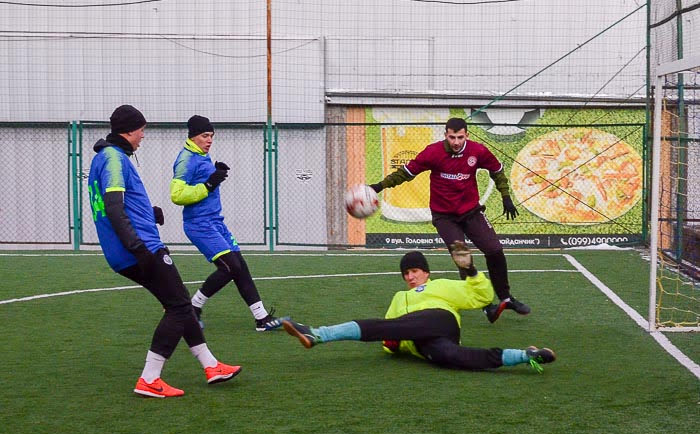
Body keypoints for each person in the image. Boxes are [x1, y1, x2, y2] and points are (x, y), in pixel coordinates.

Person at [88, 105, 241, 398]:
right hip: (140, 249)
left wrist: (148, 212)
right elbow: (114, 207)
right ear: (130, 130)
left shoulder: (103, 158)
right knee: (180, 307)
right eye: (142, 130)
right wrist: (139, 247)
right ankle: (150, 378)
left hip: (125, 250)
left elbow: (120, 205)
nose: (143, 136)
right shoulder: (114, 158)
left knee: (179, 302)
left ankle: (211, 366)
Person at [283, 245, 556, 373]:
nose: (410, 277)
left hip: (442, 322)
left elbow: (481, 296)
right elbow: (391, 343)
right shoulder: (399, 297)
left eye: (414, 271)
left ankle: (318, 334)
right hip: (424, 344)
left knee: (386, 326)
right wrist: (392, 345)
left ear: (426, 272)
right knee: (456, 359)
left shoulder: (442, 287)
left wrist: (470, 269)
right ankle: (526, 355)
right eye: (406, 273)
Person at [368, 117, 531, 323]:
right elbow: (406, 173)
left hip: (471, 211)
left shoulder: (477, 151)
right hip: (444, 216)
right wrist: (379, 186)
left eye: (460, 137)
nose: (456, 141)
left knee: (495, 250)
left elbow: (497, 170)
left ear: (467, 136)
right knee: (462, 256)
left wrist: (506, 197)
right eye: (452, 137)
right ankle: (485, 305)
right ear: (446, 134)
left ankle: (506, 298)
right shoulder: (433, 152)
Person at [170, 115, 288, 331]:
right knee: (230, 267)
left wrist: (214, 174)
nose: (210, 140)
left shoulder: (202, 155)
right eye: (205, 135)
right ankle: (193, 308)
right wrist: (208, 184)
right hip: (199, 225)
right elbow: (177, 195)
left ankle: (261, 318)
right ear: (193, 136)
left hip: (216, 222)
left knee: (240, 266)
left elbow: (204, 183)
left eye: (212, 136)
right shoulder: (186, 159)